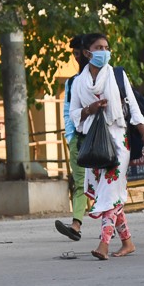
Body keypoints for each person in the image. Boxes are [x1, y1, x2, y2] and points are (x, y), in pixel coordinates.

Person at [67, 33, 144, 260]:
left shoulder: (117, 75)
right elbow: (74, 115)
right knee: (110, 194)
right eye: (99, 47)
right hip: (94, 144)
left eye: (107, 47)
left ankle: (103, 245)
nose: (104, 51)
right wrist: (91, 109)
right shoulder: (78, 83)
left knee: (109, 193)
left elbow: (134, 108)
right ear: (87, 53)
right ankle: (127, 242)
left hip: (118, 141)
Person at [55, 35, 90, 242]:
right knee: (80, 183)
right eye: (75, 54)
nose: (78, 58)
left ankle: (111, 224)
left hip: (104, 140)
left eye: (80, 53)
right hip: (79, 139)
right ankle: (76, 225)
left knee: (104, 185)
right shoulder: (72, 83)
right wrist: (70, 136)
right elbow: (68, 111)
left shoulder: (108, 77)